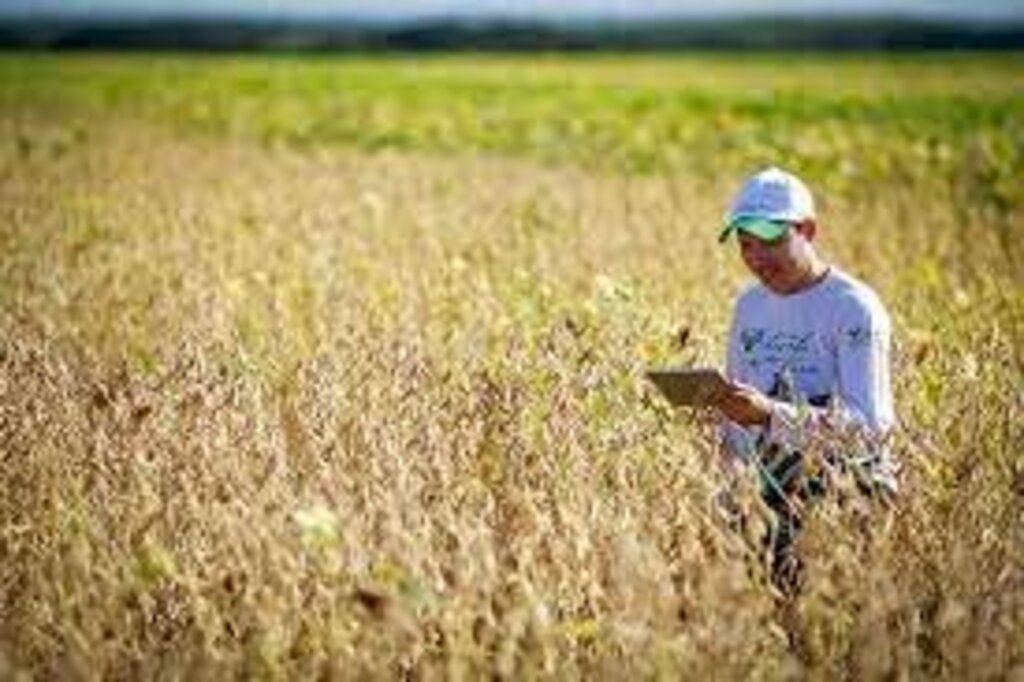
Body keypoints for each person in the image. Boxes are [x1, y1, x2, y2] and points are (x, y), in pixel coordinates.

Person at [710, 166, 896, 593]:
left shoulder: (853, 309)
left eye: (771, 241)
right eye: (746, 244)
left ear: (808, 230)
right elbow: (740, 415)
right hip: (763, 497)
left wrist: (771, 414)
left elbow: (871, 430)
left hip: (844, 499)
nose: (757, 257)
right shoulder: (749, 307)